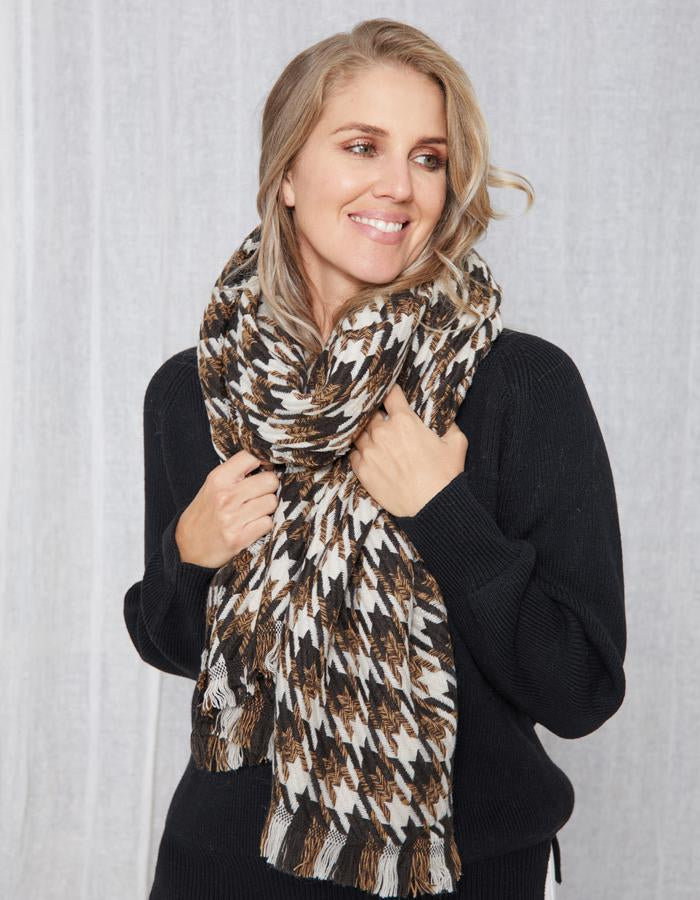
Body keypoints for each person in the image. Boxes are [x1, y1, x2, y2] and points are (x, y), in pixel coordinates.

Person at [124, 17, 626, 900]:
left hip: (464, 873)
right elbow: (175, 646)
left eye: (429, 158)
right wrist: (188, 555)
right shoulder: (195, 389)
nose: (400, 185)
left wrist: (443, 513)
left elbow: (580, 689)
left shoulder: (522, 385)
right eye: (363, 146)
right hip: (225, 866)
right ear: (286, 175)